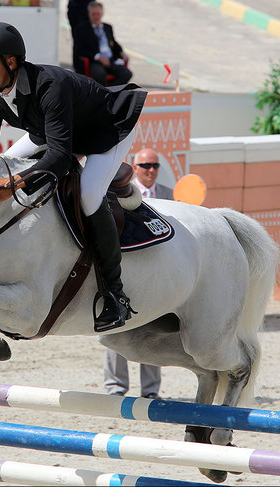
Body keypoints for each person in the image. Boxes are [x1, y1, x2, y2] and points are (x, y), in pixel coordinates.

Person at [0, 21, 146, 332]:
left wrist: (15, 184)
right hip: (53, 132)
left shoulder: (50, 86)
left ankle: (115, 294)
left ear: (11, 62)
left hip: (106, 130)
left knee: (88, 194)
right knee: (6, 163)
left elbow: (60, 158)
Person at [103, 148, 170, 398]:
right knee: (115, 325)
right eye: (146, 166)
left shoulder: (170, 195)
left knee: (152, 330)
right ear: (135, 167)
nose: (151, 170)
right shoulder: (118, 194)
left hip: (156, 271)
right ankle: (115, 388)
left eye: (155, 165)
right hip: (124, 268)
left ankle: (151, 391)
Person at [72, 1, 131, 86]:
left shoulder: (107, 27)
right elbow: (80, 49)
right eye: (93, 14)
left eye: (98, 14)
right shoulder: (81, 29)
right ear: (89, 14)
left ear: (102, 14)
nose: (96, 17)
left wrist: (122, 53)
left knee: (126, 73)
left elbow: (113, 43)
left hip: (110, 60)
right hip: (94, 61)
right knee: (100, 75)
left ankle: (111, 93)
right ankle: (102, 96)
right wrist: (98, 57)